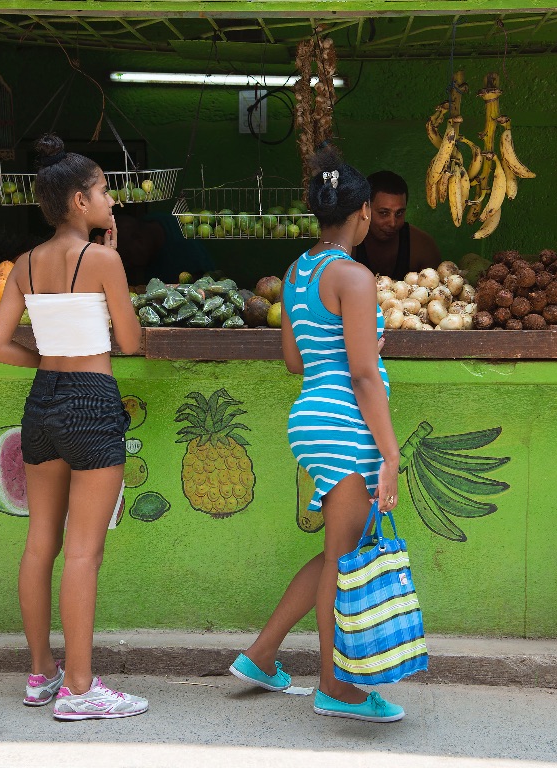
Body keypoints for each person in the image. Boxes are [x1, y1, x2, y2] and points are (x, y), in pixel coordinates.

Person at [227, 145, 406, 723]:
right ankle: (336, 686)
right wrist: (391, 452)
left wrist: (359, 346)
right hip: (346, 423)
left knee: (338, 550)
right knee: (346, 557)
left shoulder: (297, 272)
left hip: (310, 417)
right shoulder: (353, 276)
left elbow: (295, 361)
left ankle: (260, 655)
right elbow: (359, 376)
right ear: (359, 214)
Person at [0, 133, 146, 722]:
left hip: (42, 403)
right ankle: (80, 690)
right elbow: (128, 341)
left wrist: (48, 359)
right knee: (84, 552)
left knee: (41, 544)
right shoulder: (103, 259)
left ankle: (40, 674)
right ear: (79, 201)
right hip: (92, 402)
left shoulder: (24, 264)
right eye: (104, 189)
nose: (112, 200)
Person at [352, 170, 441, 280]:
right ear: (364, 209)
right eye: (384, 213)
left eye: (399, 213)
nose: (393, 223)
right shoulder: (348, 245)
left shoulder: (423, 247)